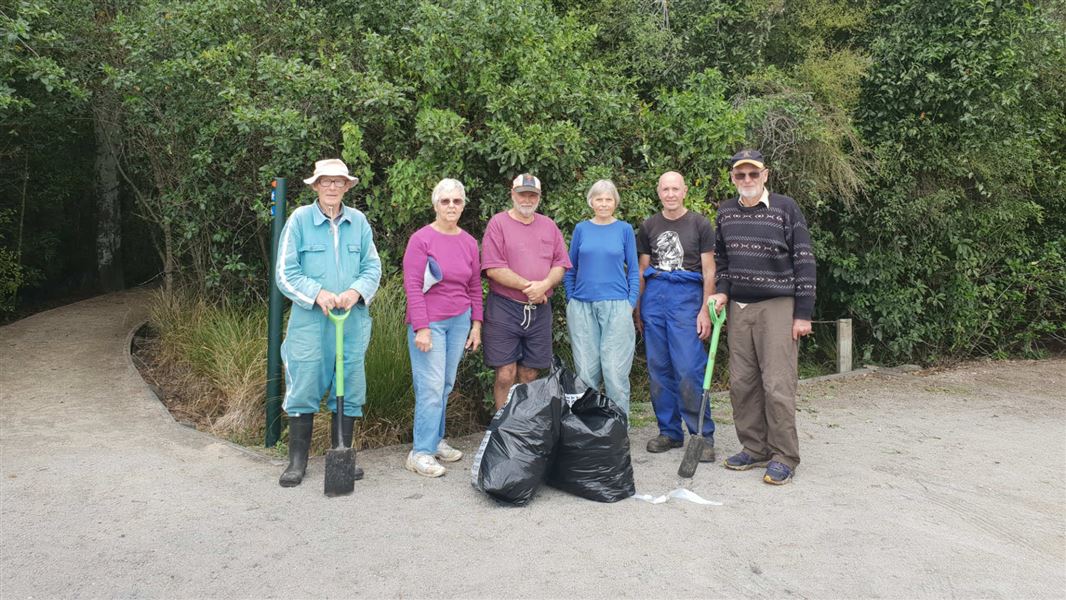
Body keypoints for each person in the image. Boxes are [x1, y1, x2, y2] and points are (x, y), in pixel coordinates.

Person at [275, 158, 382, 488]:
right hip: (310, 323)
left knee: (349, 385)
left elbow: (372, 268)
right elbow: (285, 273)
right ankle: (297, 463)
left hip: (351, 321)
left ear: (347, 186)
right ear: (315, 186)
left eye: (339, 182)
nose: (332, 187)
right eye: (326, 181)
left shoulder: (359, 222)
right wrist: (317, 294)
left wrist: (354, 292)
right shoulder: (299, 220)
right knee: (304, 385)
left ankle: (342, 453)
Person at [711, 150, 816, 485]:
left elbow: (804, 261)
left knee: (777, 384)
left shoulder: (785, 208)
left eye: (752, 174)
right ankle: (754, 448)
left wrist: (803, 314)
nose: (747, 181)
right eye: (740, 175)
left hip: (778, 305)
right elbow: (723, 261)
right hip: (739, 308)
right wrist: (722, 291)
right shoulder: (725, 212)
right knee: (742, 384)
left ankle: (784, 455)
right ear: (732, 178)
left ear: (765, 175)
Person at [401, 179, 483, 478]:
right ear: (435, 205)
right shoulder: (421, 239)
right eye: (445, 201)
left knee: (445, 385)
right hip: (430, 322)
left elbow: (474, 285)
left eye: (457, 201)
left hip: (459, 320)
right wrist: (421, 327)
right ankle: (420, 452)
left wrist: (476, 324)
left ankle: (435, 440)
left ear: (463, 205)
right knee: (431, 388)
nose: (451, 206)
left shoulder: (469, 242)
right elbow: (412, 285)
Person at [636, 171, 716, 460]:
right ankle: (669, 432)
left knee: (688, 368)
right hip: (655, 300)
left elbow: (709, 271)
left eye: (675, 189)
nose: (670, 194)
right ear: (658, 192)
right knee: (659, 369)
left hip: (686, 298)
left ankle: (702, 435)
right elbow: (642, 270)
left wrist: (705, 310)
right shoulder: (649, 226)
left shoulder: (699, 224)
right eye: (665, 189)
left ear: (684, 191)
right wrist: (638, 308)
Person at [481, 174, 571, 410]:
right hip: (504, 308)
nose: (527, 199)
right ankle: (501, 429)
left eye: (533, 195)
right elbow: (493, 267)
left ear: (539, 197)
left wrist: (543, 286)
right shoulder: (498, 224)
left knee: (530, 373)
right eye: (523, 194)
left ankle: (526, 427)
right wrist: (530, 288)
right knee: (505, 373)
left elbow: (560, 264)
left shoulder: (549, 225)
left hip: (539, 310)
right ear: (513, 194)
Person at [563, 179, 639, 418]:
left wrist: (630, 304)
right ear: (591, 201)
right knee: (586, 372)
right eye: (599, 199)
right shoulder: (581, 229)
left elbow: (634, 271)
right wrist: (571, 299)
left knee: (615, 373)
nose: (604, 204)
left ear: (615, 202)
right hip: (582, 305)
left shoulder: (624, 230)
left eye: (608, 199)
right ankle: (589, 430)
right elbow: (570, 268)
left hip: (617, 306)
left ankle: (618, 428)